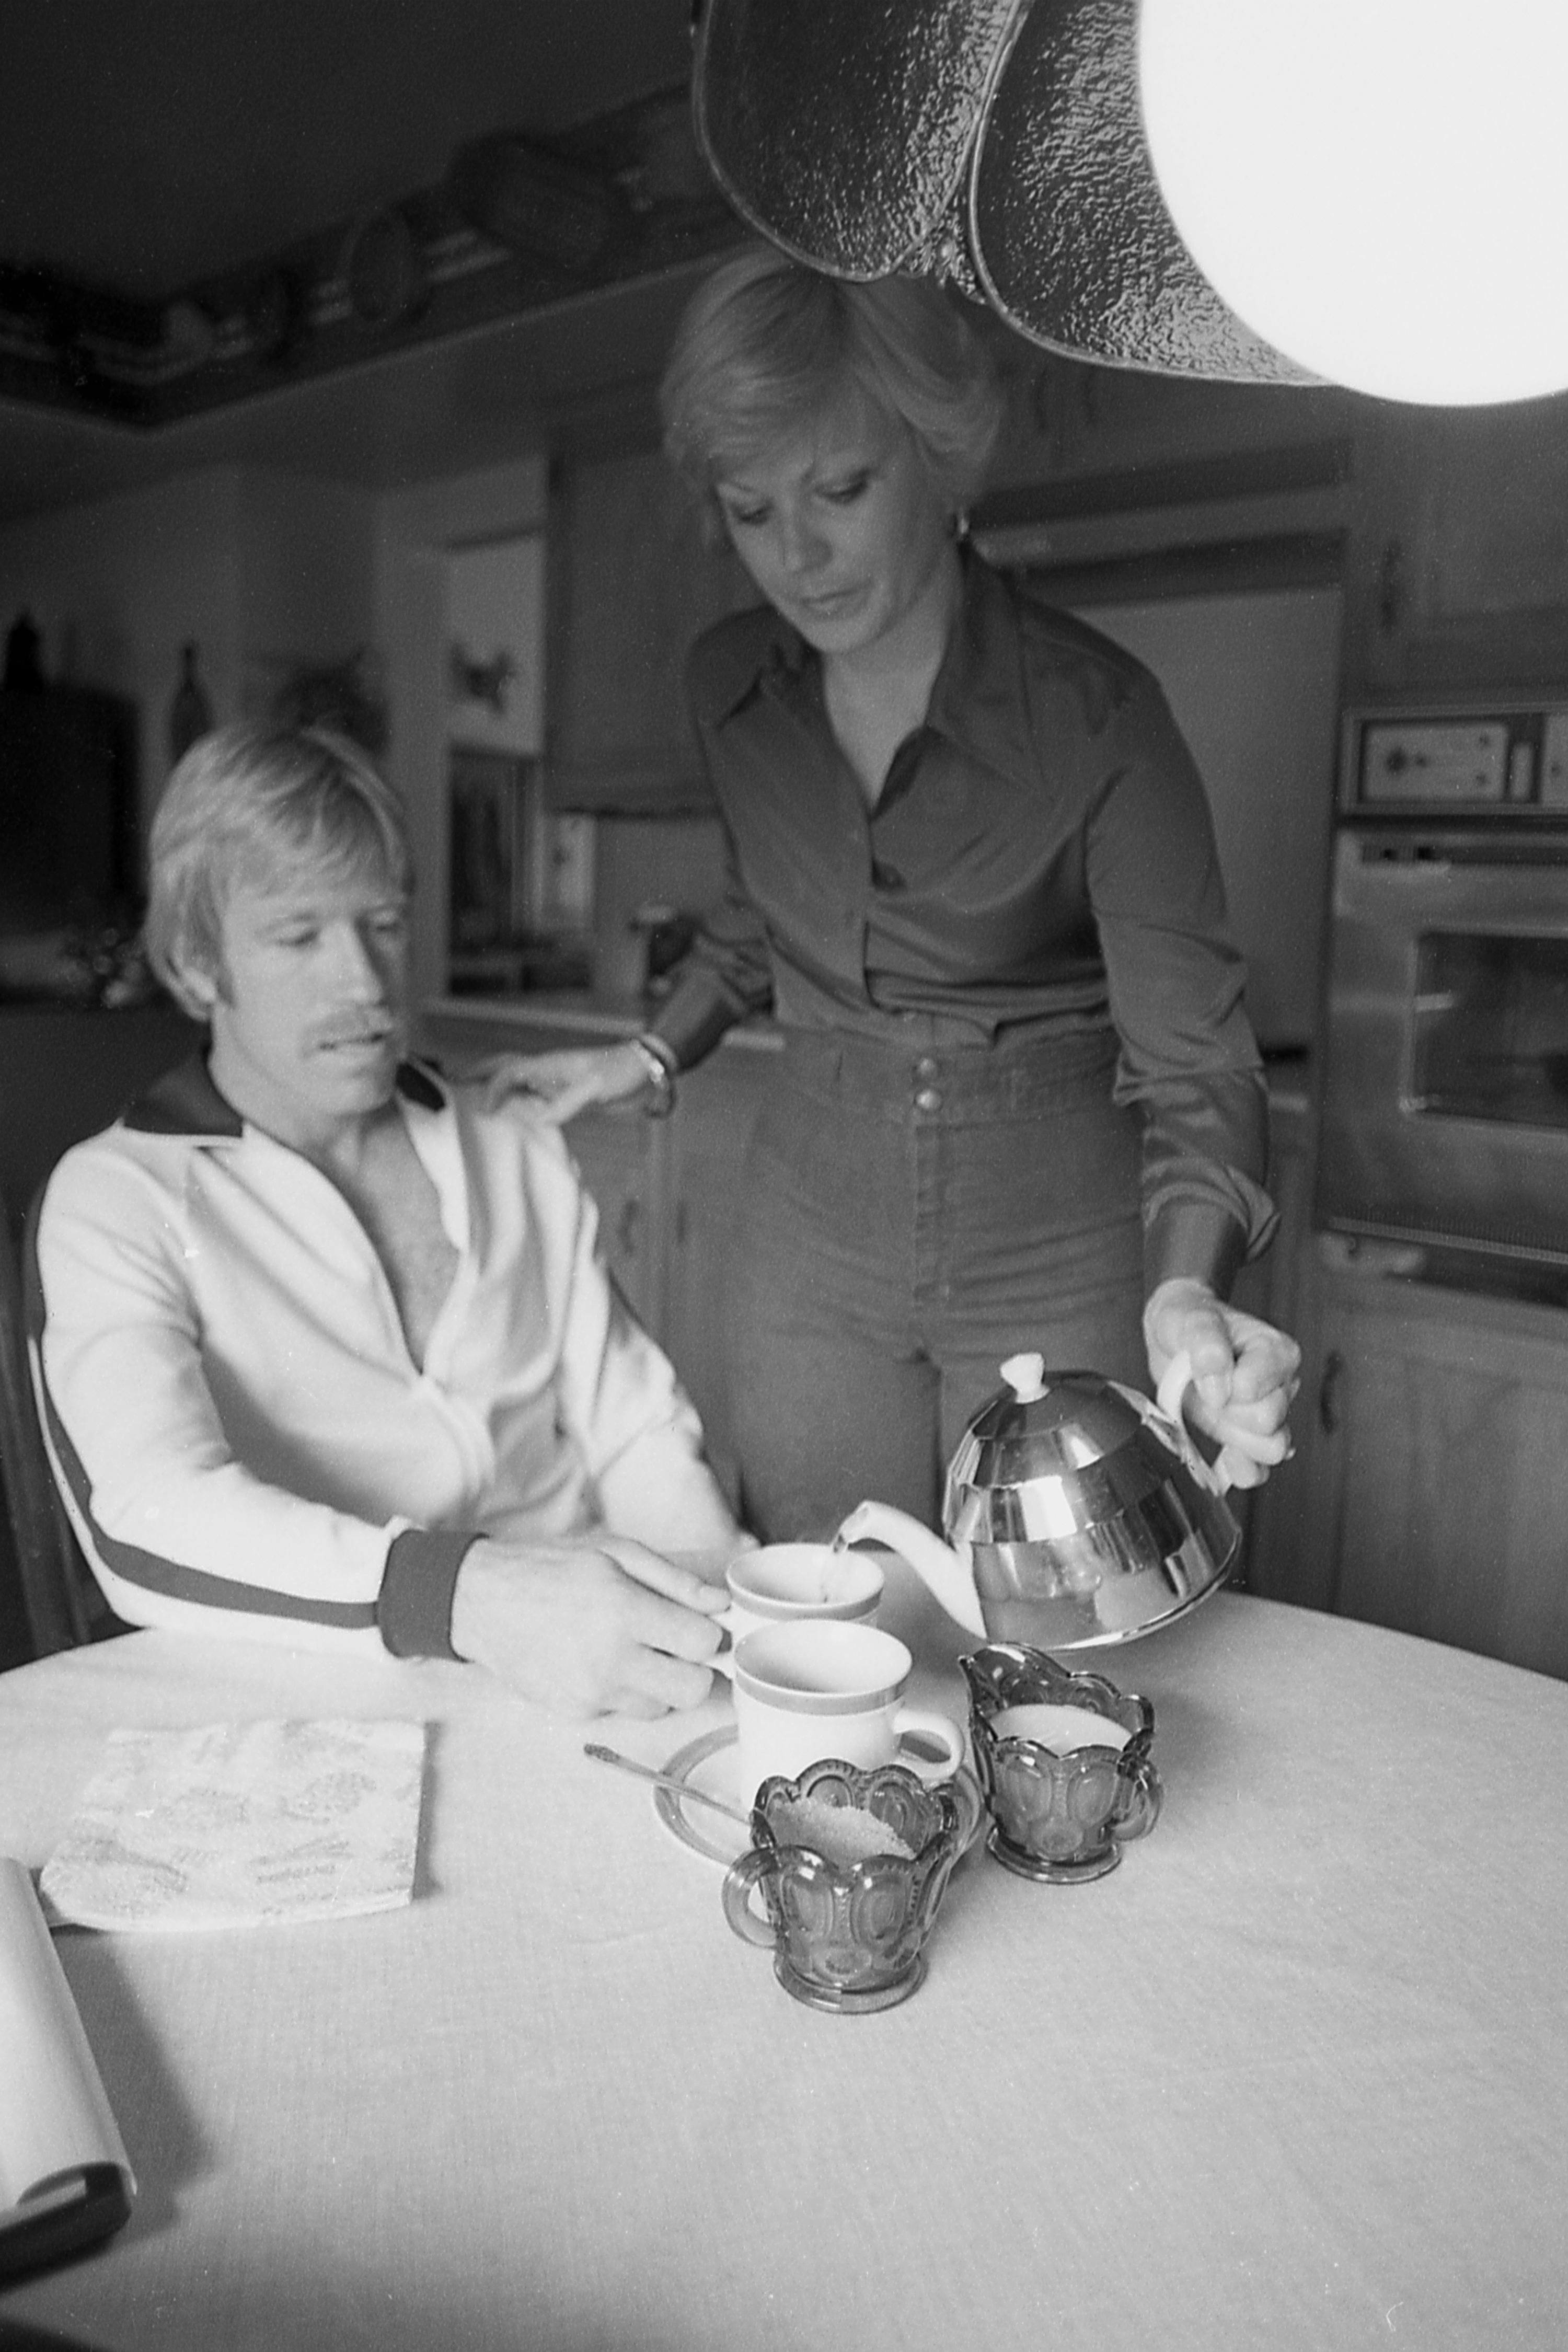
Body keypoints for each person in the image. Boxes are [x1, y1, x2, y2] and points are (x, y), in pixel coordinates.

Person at [488, 245, 1301, 1542]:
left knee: (1061, 1603)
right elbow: (759, 915)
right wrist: (642, 1057)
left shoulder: (1097, 716)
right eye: (752, 512)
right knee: (826, 1592)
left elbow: (1197, 1059)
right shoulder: (730, 688)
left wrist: (1188, 1289)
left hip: (1058, 1226)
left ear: (939, 457)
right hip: (812, 1226)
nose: (798, 556)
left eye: (841, 489)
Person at [30, 723, 741, 1718]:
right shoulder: (116, 1199)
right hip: (325, 1706)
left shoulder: (510, 1139)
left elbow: (636, 1431)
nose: (364, 983)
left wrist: (710, 1606)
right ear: (197, 966)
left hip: (598, 1685)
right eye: (299, 937)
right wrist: (465, 1597)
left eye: (385, 924)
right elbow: (146, 1515)